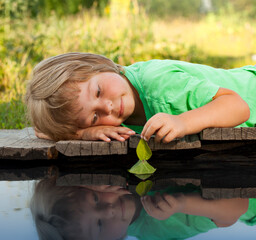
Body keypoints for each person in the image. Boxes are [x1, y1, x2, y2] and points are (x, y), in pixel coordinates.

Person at [25, 52, 255, 142]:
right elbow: (42, 131)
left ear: (98, 66)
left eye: (98, 91)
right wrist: (84, 133)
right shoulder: (114, 118)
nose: (108, 107)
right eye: (95, 116)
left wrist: (182, 122)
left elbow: (238, 107)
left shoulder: (158, 82)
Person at [30, 176, 251, 240]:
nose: (109, 211)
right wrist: (182, 203)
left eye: (95, 199)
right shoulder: (157, 228)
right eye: (98, 226)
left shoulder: (118, 167)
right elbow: (238, 205)